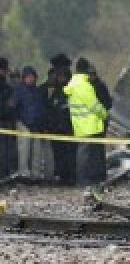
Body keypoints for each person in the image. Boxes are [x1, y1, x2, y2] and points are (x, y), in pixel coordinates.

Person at [64, 57, 107, 186]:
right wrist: (104, 114)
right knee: (87, 154)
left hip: (80, 124)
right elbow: (93, 105)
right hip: (89, 124)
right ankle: (84, 179)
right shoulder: (83, 85)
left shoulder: (73, 84)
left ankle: (85, 178)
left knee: (84, 153)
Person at [13, 66, 50, 180]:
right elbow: (13, 106)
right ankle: (23, 173)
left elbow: (41, 109)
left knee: (37, 151)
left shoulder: (37, 92)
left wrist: (43, 124)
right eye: (28, 77)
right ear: (23, 78)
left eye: (32, 77)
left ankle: (36, 175)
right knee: (24, 149)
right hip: (23, 123)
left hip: (36, 125)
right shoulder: (18, 91)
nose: (30, 79)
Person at [44, 55, 75, 184]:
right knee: (61, 152)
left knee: (66, 152)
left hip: (64, 124)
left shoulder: (66, 86)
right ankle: (64, 175)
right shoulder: (54, 87)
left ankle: (67, 175)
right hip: (58, 125)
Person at [0, 58, 13, 178]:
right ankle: (4, 175)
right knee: (4, 150)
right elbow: (9, 106)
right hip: (4, 121)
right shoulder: (6, 88)